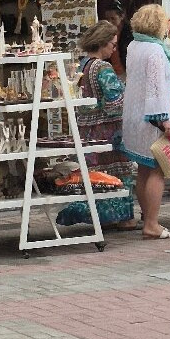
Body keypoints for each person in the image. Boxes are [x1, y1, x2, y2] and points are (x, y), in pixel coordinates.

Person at [56, 20, 137, 230]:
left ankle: (95, 213)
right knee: (119, 174)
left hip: (87, 129)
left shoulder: (84, 64)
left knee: (95, 175)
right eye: (112, 44)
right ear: (102, 43)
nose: (114, 48)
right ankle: (123, 217)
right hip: (109, 131)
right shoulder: (103, 68)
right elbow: (114, 103)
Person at [121, 4, 170, 239]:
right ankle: (151, 223)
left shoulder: (134, 45)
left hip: (134, 114)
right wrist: (164, 119)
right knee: (157, 169)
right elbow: (156, 87)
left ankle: (148, 217)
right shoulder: (154, 50)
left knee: (144, 169)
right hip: (151, 117)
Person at [102, 0, 133, 77]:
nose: (109, 22)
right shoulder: (104, 33)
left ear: (122, 16)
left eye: (113, 18)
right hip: (109, 73)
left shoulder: (130, 33)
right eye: (107, 19)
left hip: (127, 72)